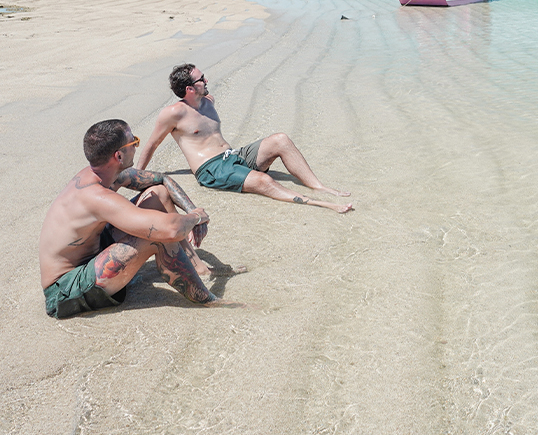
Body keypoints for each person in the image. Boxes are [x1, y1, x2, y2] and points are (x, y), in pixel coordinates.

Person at [39, 119, 231, 318]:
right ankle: (209, 301)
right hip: (65, 289)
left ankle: (199, 268)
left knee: (158, 194)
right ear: (119, 155)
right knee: (156, 236)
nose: (137, 146)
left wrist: (191, 210)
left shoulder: (104, 174)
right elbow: (171, 230)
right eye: (134, 142)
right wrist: (197, 216)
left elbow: (162, 180)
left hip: (93, 250)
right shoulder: (96, 196)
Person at [135, 64, 353, 214]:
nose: (207, 79)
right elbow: (153, 144)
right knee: (264, 181)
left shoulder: (207, 101)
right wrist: (136, 176)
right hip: (211, 169)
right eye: (202, 79)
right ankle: (320, 203)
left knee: (281, 139)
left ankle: (318, 187)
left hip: (233, 156)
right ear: (190, 89)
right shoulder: (173, 113)